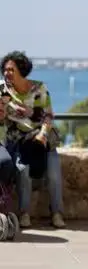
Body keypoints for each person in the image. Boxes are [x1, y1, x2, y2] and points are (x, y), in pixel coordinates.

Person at [0, 51, 65, 228]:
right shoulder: (2, 90)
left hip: (42, 138)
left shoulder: (39, 88)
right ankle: (24, 213)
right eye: (5, 69)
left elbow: (48, 116)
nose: (7, 73)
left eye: (11, 69)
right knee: (23, 171)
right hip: (19, 140)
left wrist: (42, 135)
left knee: (53, 173)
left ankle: (57, 213)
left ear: (22, 70)